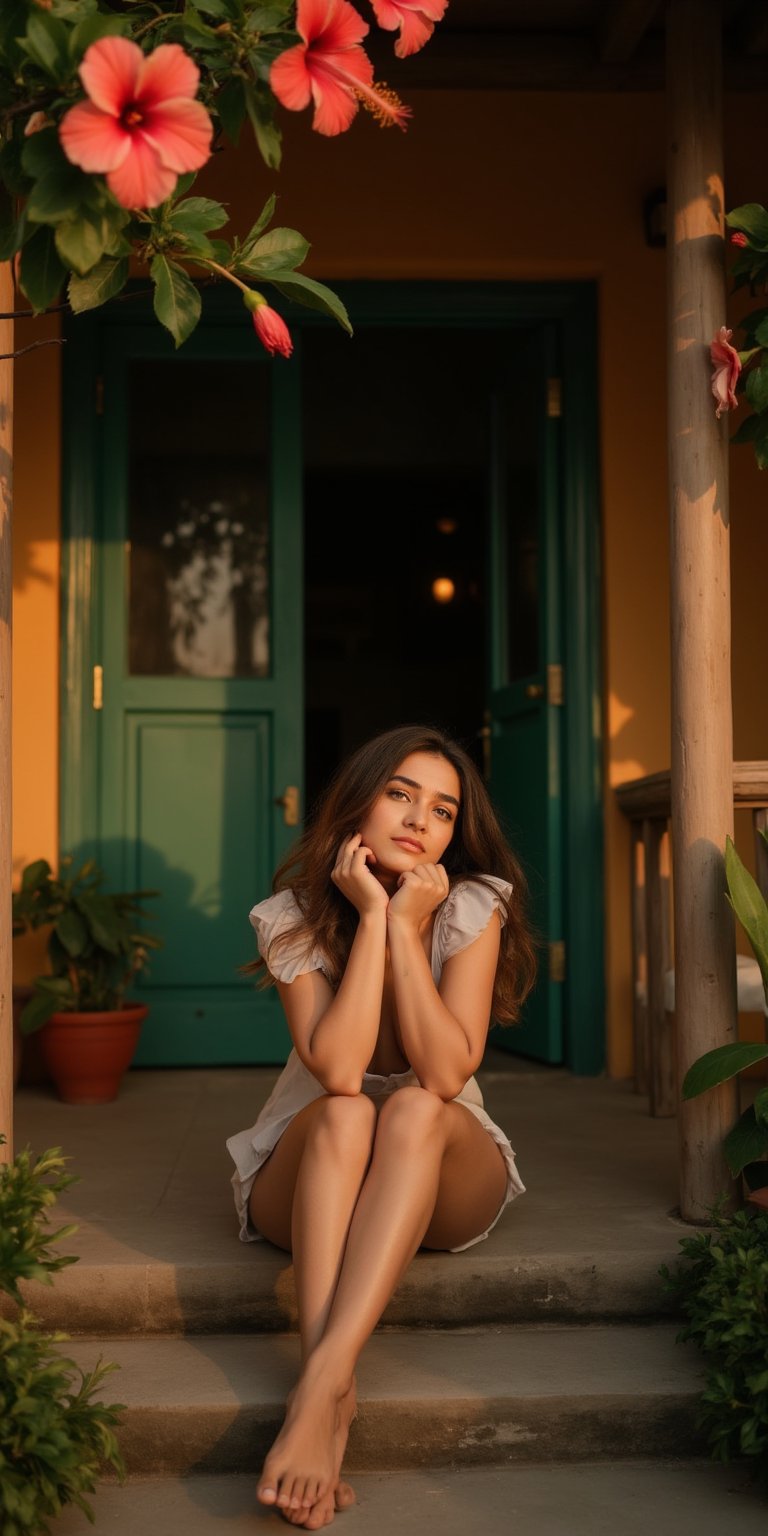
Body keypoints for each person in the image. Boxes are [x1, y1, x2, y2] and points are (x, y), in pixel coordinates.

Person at [226, 724, 536, 1530]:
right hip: (314, 1171)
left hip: (440, 1171)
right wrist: (369, 918)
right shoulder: (292, 915)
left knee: (410, 1104)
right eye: (400, 793)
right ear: (358, 802)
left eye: (442, 809)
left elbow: (444, 1071)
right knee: (347, 1108)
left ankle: (318, 1393)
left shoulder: (471, 905)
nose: (418, 820)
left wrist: (406, 926)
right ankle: (330, 1392)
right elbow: (335, 1066)